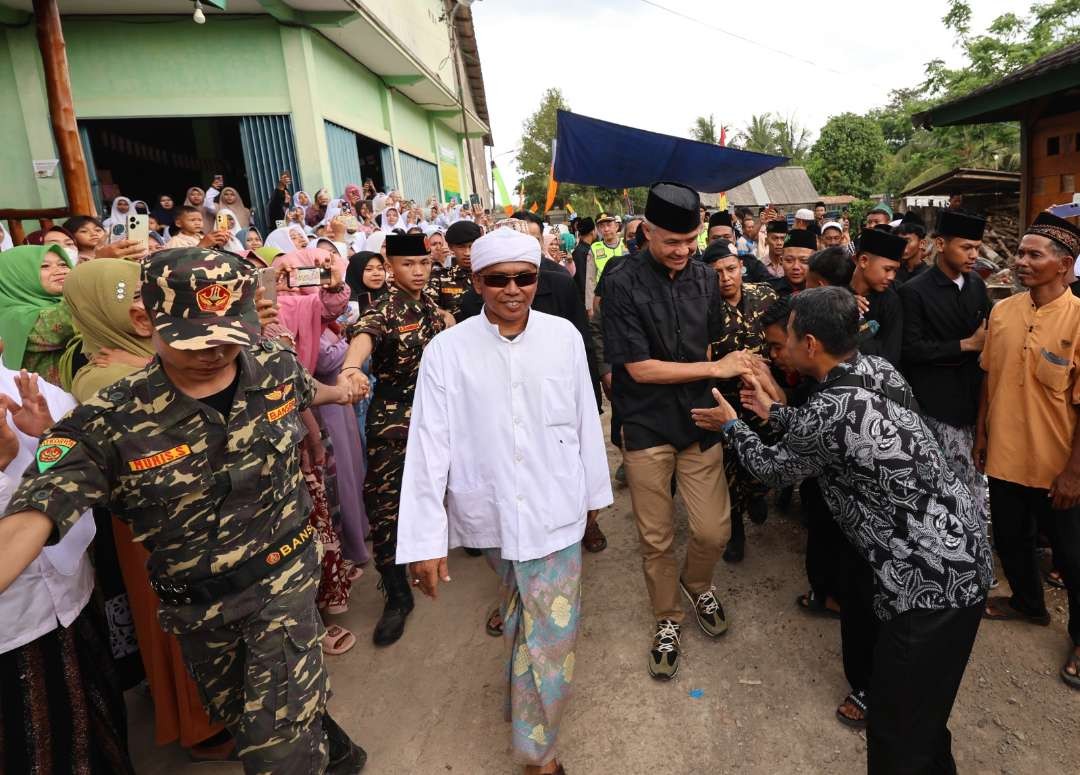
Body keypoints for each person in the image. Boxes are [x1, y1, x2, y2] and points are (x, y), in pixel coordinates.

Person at [0, 247, 367, 774]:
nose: (214, 352)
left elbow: (309, 391)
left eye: (228, 335)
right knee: (247, 718)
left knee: (278, 755)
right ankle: (334, 747)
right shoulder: (109, 418)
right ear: (144, 319)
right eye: (194, 338)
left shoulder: (272, 367)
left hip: (282, 584)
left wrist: (344, 390)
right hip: (197, 608)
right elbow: (32, 514)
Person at [701, 286, 991, 773]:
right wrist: (773, 411)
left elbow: (773, 469)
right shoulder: (877, 371)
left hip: (927, 586)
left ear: (810, 344)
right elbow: (836, 428)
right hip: (959, 558)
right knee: (921, 718)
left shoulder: (829, 409)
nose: (780, 349)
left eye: (785, 339)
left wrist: (732, 426)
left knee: (896, 735)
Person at [397, 228, 611, 775]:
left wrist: (591, 499)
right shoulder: (447, 351)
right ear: (476, 282)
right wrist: (424, 541)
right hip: (488, 512)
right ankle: (524, 708)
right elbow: (427, 447)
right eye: (498, 279)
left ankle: (538, 753)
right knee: (522, 616)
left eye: (525, 277)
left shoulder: (563, 336)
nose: (513, 289)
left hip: (556, 509)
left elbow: (586, 417)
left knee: (552, 633)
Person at [62, 258, 232, 758]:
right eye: (132, 296)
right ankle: (202, 727)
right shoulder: (102, 375)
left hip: (197, 512)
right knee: (179, 620)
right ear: (103, 309)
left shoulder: (141, 357)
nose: (145, 305)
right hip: (154, 525)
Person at [602, 182, 751, 679]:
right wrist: (714, 374)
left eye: (691, 240)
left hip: (695, 419)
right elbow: (640, 368)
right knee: (656, 535)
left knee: (713, 528)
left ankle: (697, 583)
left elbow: (707, 348)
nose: (684, 250)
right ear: (646, 232)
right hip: (645, 423)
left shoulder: (706, 278)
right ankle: (667, 617)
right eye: (672, 241)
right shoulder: (620, 281)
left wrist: (711, 382)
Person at [0, 366, 136, 775]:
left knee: (100, 730)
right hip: (13, 630)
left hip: (72, 601)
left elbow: (90, 475)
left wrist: (51, 437)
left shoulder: (35, 389)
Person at [977, 212, 1080, 691]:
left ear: (1064, 265)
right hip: (1004, 457)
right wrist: (981, 436)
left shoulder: (1078, 320)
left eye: (1032, 254)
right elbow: (988, 379)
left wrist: (1074, 474)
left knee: (1073, 554)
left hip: (1058, 466)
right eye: (1019, 252)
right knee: (1011, 539)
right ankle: (1027, 603)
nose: (1020, 262)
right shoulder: (1002, 312)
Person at [338, 234, 445, 647]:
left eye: (423, 263)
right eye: (407, 264)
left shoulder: (430, 300)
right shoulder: (383, 308)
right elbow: (363, 337)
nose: (417, 271)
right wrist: (351, 368)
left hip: (438, 412)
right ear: (389, 263)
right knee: (386, 507)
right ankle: (397, 596)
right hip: (394, 417)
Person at [899, 209, 990, 531]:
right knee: (944, 488)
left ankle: (976, 553)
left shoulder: (977, 285)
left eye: (977, 248)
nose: (974, 255)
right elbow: (910, 350)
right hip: (937, 408)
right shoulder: (914, 291)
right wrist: (965, 345)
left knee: (976, 483)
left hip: (974, 402)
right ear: (940, 244)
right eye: (967, 247)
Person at [702, 240, 776, 562]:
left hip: (760, 399)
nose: (726, 278)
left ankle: (757, 492)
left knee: (762, 457)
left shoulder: (766, 296)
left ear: (741, 266)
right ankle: (736, 529)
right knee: (728, 470)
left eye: (731, 269)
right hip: (725, 402)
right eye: (717, 272)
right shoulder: (703, 308)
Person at [0, 245, 74, 386]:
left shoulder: (65, 301)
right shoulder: (15, 317)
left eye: (63, 264)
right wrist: (95, 275)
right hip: (52, 404)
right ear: (16, 275)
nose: (60, 271)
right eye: (45, 266)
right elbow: (65, 322)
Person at [850, 227, 906, 365]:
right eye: (887, 269)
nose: (892, 277)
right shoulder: (837, 294)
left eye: (895, 270)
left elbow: (890, 356)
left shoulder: (890, 302)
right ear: (863, 261)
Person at [586, 213, 625, 303]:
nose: (606, 229)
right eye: (602, 226)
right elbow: (590, 279)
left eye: (609, 225)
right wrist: (589, 305)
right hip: (604, 298)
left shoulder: (626, 243)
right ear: (598, 229)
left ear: (616, 226)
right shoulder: (594, 248)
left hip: (626, 295)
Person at [772, 229, 815, 296]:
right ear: (781, 260)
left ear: (815, 261)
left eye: (804, 261)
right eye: (789, 260)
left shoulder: (822, 292)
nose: (796, 267)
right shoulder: (770, 291)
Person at [893, 216, 929, 285]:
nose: (902, 245)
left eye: (906, 241)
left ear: (922, 243)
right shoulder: (893, 273)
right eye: (899, 241)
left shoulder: (929, 276)